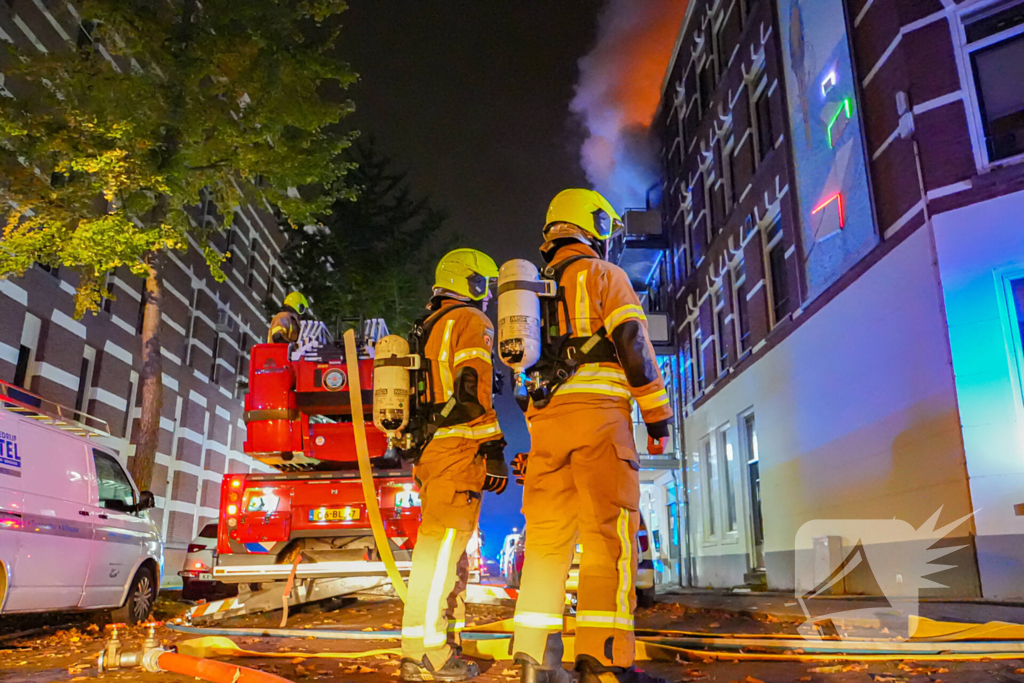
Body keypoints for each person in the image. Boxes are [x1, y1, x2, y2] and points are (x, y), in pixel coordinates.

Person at [511, 189, 673, 683]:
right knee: (609, 542)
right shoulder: (606, 275)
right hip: (601, 422)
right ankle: (604, 663)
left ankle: (535, 666)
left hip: (546, 429)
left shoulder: (528, 296)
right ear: (593, 226)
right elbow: (632, 343)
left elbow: (520, 382)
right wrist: (657, 417)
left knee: (544, 545)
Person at [400, 248, 509, 682]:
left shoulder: (429, 326)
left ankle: (436, 645)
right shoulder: (470, 321)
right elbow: (471, 392)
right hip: (456, 453)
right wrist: (495, 445)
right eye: (485, 285)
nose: (488, 297)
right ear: (471, 282)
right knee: (441, 552)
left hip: (433, 453)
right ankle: (424, 655)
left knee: (443, 554)